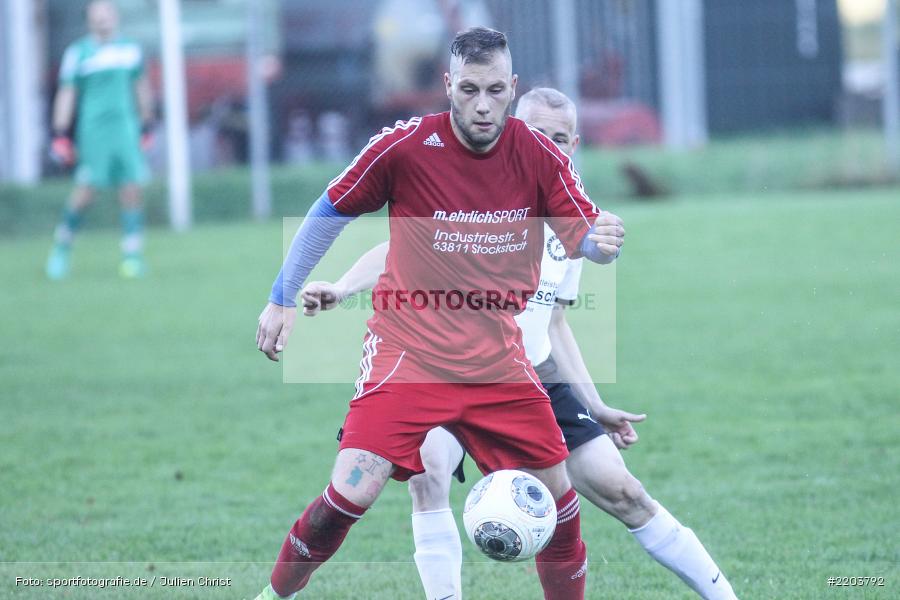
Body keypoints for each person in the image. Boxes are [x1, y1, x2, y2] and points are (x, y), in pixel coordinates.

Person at [301, 87, 738, 600]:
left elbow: (553, 323)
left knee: (625, 493)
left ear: (572, 145)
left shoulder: (572, 220)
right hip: (444, 366)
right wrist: (342, 287)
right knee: (429, 474)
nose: (544, 144)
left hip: (532, 379)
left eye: (558, 138)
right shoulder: (472, 195)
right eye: (533, 132)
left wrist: (594, 404)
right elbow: (393, 250)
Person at [254, 28, 625, 600]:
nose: (482, 105)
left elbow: (584, 240)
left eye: (496, 90)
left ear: (512, 88)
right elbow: (331, 209)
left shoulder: (539, 154)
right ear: (448, 84)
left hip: (499, 361)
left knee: (560, 507)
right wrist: (282, 297)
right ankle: (272, 596)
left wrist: (604, 242)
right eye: (470, 88)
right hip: (408, 356)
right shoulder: (403, 147)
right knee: (347, 498)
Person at [45, 0, 154, 280]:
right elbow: (67, 93)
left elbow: (140, 87)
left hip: (125, 129)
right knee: (86, 191)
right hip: (93, 131)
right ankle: (61, 248)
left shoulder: (130, 49)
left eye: (106, 15)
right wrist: (60, 133)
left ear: (114, 17)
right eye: (97, 16)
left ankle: (132, 255)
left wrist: (147, 123)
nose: (103, 20)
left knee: (131, 189)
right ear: (89, 20)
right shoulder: (78, 53)